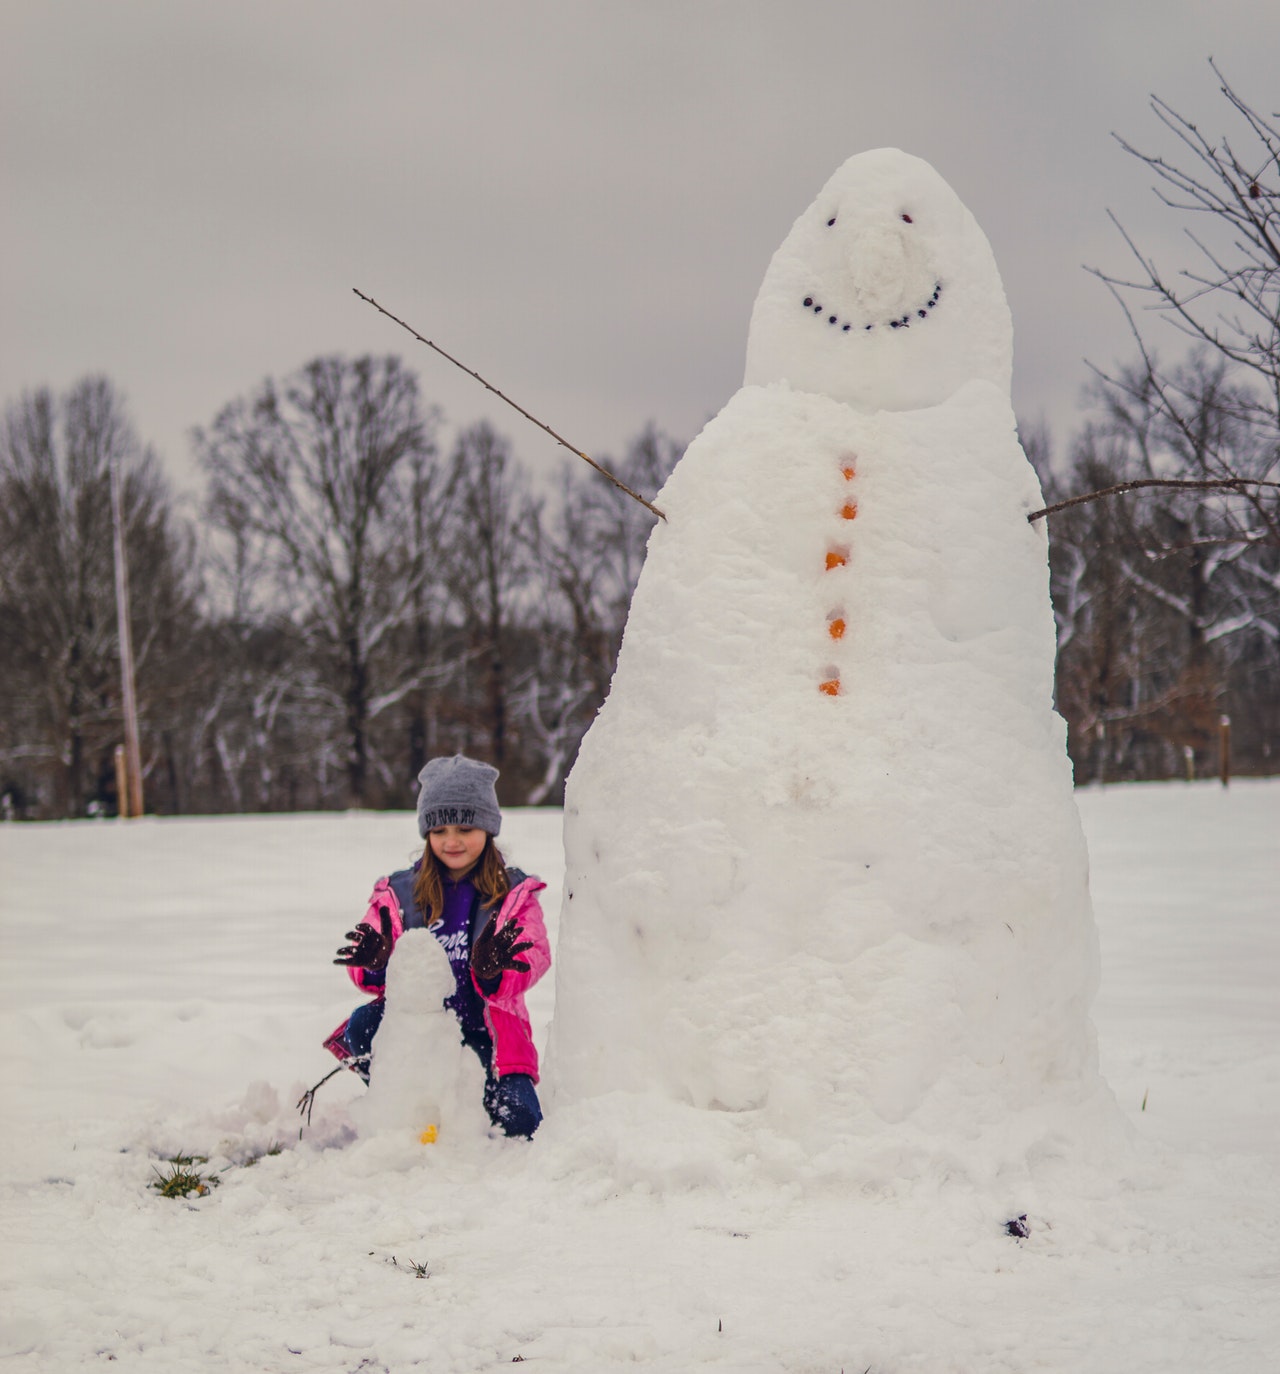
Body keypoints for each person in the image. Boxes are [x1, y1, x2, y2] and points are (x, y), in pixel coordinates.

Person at [323, 755, 550, 1138]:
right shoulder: (399, 893)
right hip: (419, 1035)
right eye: (440, 828)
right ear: (426, 832)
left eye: (465, 827)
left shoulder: (512, 893)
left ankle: (463, 1106)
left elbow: (534, 954)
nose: (452, 840)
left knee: (521, 1124)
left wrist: (495, 971)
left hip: (488, 1036)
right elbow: (367, 965)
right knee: (363, 1025)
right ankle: (405, 1098)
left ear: (488, 827)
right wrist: (377, 965)